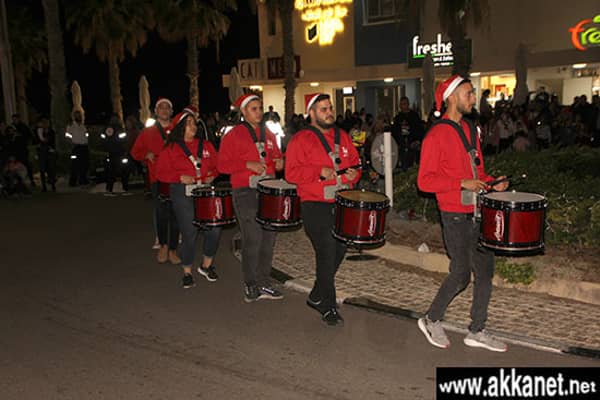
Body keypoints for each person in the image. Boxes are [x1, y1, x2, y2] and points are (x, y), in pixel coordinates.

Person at [416, 75, 509, 352]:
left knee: (485, 272)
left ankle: (477, 330)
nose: (473, 98)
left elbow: (476, 171)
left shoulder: (469, 129)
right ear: (452, 97)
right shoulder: (435, 135)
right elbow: (424, 181)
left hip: (477, 211)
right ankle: (431, 318)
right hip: (454, 214)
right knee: (460, 274)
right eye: (469, 93)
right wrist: (460, 183)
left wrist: (492, 182)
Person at [285, 93, 361, 326]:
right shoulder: (300, 139)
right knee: (327, 250)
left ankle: (317, 294)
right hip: (315, 204)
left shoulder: (343, 136)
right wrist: (318, 171)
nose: (329, 113)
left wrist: (354, 174)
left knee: (339, 250)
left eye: (330, 108)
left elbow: (355, 164)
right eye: (323, 109)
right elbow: (290, 173)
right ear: (311, 113)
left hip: (341, 202)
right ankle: (328, 306)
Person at [217, 94, 284, 302]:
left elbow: (276, 157)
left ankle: (264, 282)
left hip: (268, 190)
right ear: (244, 112)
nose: (259, 112)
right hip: (245, 190)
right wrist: (246, 165)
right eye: (254, 108)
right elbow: (222, 165)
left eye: (260, 108)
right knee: (253, 236)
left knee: (269, 238)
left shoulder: (268, 133)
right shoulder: (233, 135)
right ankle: (251, 283)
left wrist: (279, 162)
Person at [156, 107, 221, 288]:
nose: (193, 126)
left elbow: (218, 166)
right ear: (180, 127)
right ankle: (187, 271)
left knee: (214, 229)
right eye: (188, 123)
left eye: (194, 123)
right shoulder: (171, 148)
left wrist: (212, 175)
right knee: (189, 231)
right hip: (182, 191)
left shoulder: (206, 145)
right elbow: (160, 173)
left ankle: (206, 265)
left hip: (204, 191)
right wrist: (179, 177)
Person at [131, 97, 181, 264]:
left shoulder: (178, 130)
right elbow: (135, 152)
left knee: (175, 213)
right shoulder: (148, 132)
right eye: (161, 107)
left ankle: (173, 249)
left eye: (167, 107)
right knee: (161, 213)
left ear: (171, 111)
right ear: (156, 111)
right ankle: (163, 245)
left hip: (177, 178)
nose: (164, 110)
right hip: (157, 177)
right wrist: (146, 154)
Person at [101, 114, 131, 196]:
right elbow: (123, 139)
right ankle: (121, 189)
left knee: (113, 171)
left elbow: (103, 140)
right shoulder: (118, 128)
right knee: (120, 171)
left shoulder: (108, 128)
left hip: (113, 153)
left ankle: (111, 189)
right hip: (117, 152)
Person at [392, 96, 425, 170]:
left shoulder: (414, 116)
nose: (403, 106)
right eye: (401, 104)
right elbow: (395, 131)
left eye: (404, 104)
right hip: (401, 144)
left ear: (408, 104)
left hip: (412, 143)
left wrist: (417, 141)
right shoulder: (398, 118)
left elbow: (419, 129)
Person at [65, 110, 90, 186]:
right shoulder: (71, 125)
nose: (78, 117)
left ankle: (83, 180)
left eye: (79, 115)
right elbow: (67, 136)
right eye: (76, 115)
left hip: (84, 147)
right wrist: (71, 144)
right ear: (74, 116)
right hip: (76, 147)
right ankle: (72, 182)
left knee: (84, 164)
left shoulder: (83, 126)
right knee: (74, 165)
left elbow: (86, 135)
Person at [10, 114, 35, 187]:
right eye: (13, 119)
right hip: (15, 149)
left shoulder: (23, 126)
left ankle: (31, 180)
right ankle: (18, 181)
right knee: (16, 166)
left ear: (18, 119)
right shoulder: (12, 126)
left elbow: (29, 135)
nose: (14, 121)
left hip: (22, 148)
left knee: (26, 164)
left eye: (15, 119)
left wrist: (21, 137)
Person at [34, 116, 57, 192]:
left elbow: (51, 141)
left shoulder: (51, 131)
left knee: (51, 168)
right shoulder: (39, 131)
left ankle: (52, 184)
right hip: (42, 152)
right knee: (42, 169)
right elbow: (37, 140)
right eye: (43, 122)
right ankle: (44, 186)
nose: (45, 124)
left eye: (46, 122)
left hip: (49, 151)